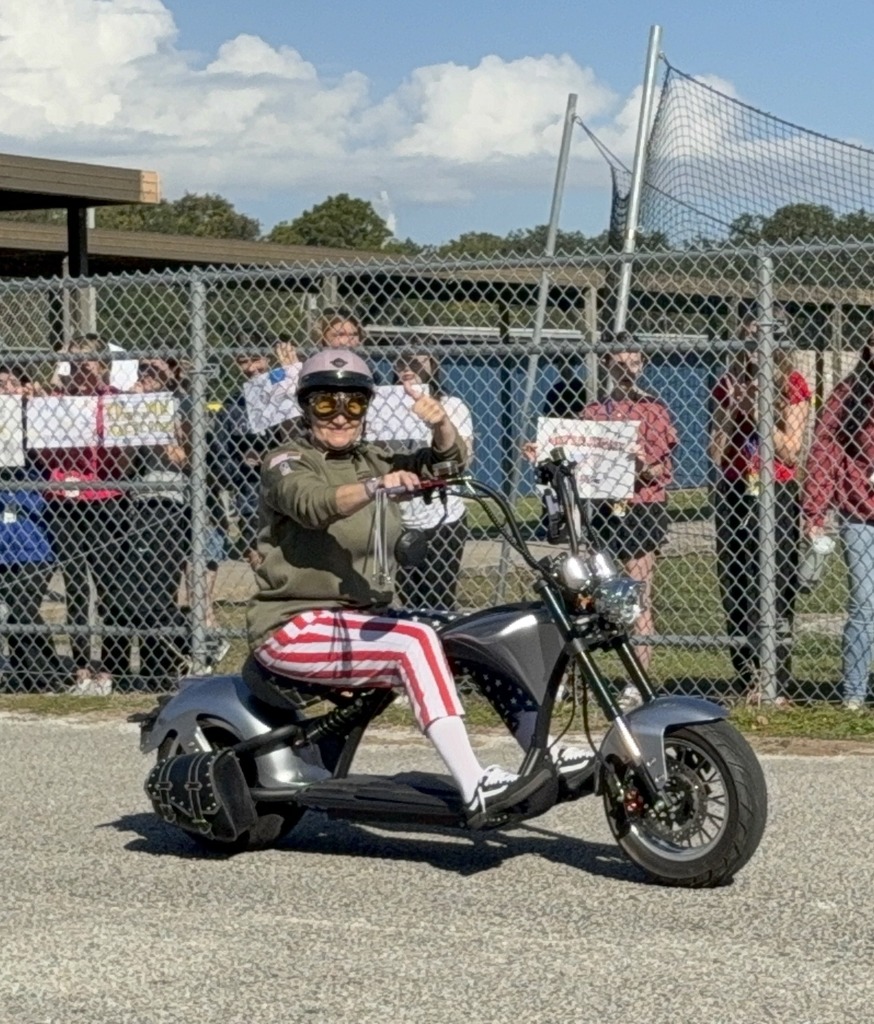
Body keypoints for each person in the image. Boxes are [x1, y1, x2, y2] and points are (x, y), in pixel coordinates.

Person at [246, 348, 573, 823]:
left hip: (359, 620)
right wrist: (376, 487)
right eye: (326, 404)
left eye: (353, 404)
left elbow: (446, 465)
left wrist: (440, 426)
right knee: (414, 641)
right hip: (293, 625)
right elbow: (311, 503)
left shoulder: (372, 457)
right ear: (306, 407)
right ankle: (474, 783)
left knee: (475, 631)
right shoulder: (287, 460)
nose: (340, 416)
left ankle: (542, 753)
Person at [710, 317, 811, 700]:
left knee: (775, 581)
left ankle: (775, 680)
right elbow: (716, 452)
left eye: (763, 339)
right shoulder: (728, 384)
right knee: (736, 581)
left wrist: (760, 413)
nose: (754, 348)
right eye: (749, 339)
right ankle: (747, 677)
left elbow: (791, 451)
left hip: (776, 488)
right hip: (736, 487)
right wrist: (735, 407)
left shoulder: (793, 384)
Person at [578, 338, 679, 706]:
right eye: (620, 363)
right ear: (607, 363)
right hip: (605, 507)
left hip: (641, 505)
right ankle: (580, 674)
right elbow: (581, 460)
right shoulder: (593, 412)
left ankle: (637, 683)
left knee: (638, 593)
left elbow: (661, 471)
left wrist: (642, 464)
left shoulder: (654, 408)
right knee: (591, 589)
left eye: (634, 362)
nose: (628, 369)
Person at [100, 358, 191, 689]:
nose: (147, 376)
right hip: (139, 502)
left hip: (171, 501)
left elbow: (187, 459)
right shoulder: (133, 405)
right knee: (132, 587)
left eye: (155, 371)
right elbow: (125, 468)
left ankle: (170, 660)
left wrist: (162, 432)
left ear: (171, 373)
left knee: (156, 587)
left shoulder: (182, 404)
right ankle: (138, 669)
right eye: (142, 371)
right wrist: (133, 425)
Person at [802, 339, 874, 710]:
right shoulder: (849, 395)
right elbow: (824, 451)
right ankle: (854, 695)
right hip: (859, 510)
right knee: (865, 602)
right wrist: (815, 512)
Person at [0, 367, 69, 691]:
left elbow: (58, 446)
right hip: (3, 530)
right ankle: (24, 674)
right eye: (0, 385)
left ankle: (46, 673)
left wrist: (37, 402)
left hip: (32, 531)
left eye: (11, 383)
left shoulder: (39, 417)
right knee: (11, 608)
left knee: (22, 604)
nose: (5, 389)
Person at [391, 350, 473, 611]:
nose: (408, 368)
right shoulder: (384, 406)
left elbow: (463, 459)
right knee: (407, 597)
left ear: (433, 365)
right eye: (401, 361)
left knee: (439, 599)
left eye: (417, 362)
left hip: (442, 517)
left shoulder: (452, 404)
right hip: (399, 517)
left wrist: (437, 426)